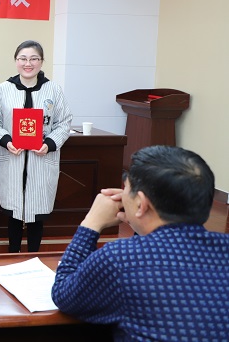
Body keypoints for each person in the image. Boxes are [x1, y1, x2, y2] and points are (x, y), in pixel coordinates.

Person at [51, 145, 229, 342]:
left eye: (126, 189)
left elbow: (64, 294)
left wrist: (91, 224)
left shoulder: (119, 259)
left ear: (141, 203)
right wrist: (141, 222)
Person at [0, 40, 72, 252]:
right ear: (16, 61)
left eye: (34, 59)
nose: (28, 63)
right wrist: (6, 141)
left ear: (41, 61)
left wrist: (49, 144)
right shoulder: (3, 89)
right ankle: (12, 254)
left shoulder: (53, 90)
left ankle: (34, 254)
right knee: (14, 212)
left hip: (41, 158)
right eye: (23, 59)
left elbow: (64, 122)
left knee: (37, 211)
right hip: (13, 157)